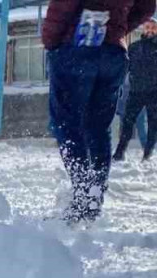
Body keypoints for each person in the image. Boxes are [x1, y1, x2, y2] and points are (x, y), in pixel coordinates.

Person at [43, 0, 156, 224]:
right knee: (98, 128)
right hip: (113, 53)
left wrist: (50, 40)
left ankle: (83, 195)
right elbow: (147, 6)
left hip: (77, 47)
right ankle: (93, 199)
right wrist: (117, 28)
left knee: (67, 125)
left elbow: (63, 5)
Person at [113, 17, 157, 162]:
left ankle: (148, 153)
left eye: (153, 27)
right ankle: (119, 152)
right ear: (143, 29)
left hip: (154, 92)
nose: (150, 30)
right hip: (136, 91)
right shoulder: (135, 47)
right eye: (148, 27)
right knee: (127, 122)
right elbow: (126, 67)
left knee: (153, 123)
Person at [114, 75, 148, 160]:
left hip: (131, 106)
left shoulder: (125, 77)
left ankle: (145, 148)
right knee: (139, 127)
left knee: (138, 127)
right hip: (128, 106)